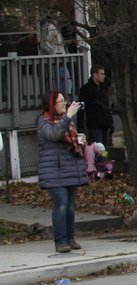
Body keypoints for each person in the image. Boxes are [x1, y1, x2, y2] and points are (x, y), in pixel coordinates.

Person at [37, 90, 90, 253]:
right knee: (61, 204)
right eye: (60, 102)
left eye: (64, 100)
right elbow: (54, 135)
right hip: (54, 170)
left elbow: (69, 138)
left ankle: (70, 238)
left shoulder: (65, 121)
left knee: (70, 206)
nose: (64, 104)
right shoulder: (43, 121)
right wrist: (68, 117)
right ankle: (60, 241)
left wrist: (79, 141)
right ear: (52, 105)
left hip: (69, 168)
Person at [77, 65, 115, 145]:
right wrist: (80, 128)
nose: (103, 76)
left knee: (104, 151)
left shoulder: (103, 89)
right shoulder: (85, 90)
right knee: (97, 150)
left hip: (105, 124)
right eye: (101, 74)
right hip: (94, 126)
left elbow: (106, 107)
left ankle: (103, 158)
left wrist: (110, 123)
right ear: (94, 75)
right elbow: (81, 109)